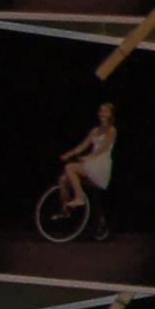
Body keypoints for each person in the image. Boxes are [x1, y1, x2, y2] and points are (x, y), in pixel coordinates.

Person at [48, 92, 112, 226]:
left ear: (110, 114)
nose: (101, 113)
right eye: (100, 111)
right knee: (63, 179)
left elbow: (103, 148)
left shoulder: (112, 130)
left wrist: (88, 157)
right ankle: (65, 210)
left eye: (105, 111)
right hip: (92, 164)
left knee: (70, 167)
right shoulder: (94, 130)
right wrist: (69, 154)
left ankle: (79, 198)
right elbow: (83, 145)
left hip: (100, 166)